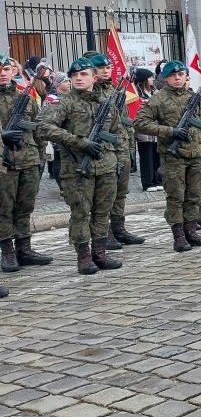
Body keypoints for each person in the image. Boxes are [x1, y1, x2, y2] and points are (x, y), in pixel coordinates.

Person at [37, 58, 123, 274]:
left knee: (103, 212)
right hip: (77, 169)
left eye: (83, 74)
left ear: (94, 77)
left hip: (105, 166)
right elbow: (43, 128)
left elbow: (118, 132)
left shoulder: (106, 103)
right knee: (80, 213)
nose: (78, 78)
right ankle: (84, 257)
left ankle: (100, 253)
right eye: (74, 75)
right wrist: (79, 141)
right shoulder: (65, 102)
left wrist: (119, 160)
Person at [134, 60, 201, 252]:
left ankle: (191, 231)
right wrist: (170, 131)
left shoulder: (192, 96)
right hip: (173, 156)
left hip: (195, 153)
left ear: (186, 76)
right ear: (166, 78)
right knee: (176, 197)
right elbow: (140, 123)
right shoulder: (157, 99)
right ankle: (178, 236)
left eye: (181, 75)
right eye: (173, 75)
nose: (177, 78)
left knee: (194, 195)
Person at [86, 53, 146, 250]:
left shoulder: (116, 90)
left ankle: (119, 228)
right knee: (105, 195)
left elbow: (125, 121)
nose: (105, 70)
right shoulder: (90, 92)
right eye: (100, 68)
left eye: (108, 67)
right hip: (103, 150)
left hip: (121, 146)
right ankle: (106, 233)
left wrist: (129, 145)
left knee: (121, 192)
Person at [0, 56, 52, 271]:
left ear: (13, 71)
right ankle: (8, 252)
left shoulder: (26, 97)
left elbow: (37, 129)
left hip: (29, 160)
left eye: (6, 69)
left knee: (25, 207)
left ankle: (24, 248)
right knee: (4, 209)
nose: (3, 73)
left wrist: (40, 158)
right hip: (4, 163)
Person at [133, 69, 163, 191]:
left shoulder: (156, 92)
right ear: (144, 80)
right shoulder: (136, 94)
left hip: (156, 130)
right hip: (144, 131)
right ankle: (148, 182)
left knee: (157, 156)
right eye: (150, 78)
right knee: (146, 158)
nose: (152, 80)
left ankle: (158, 179)